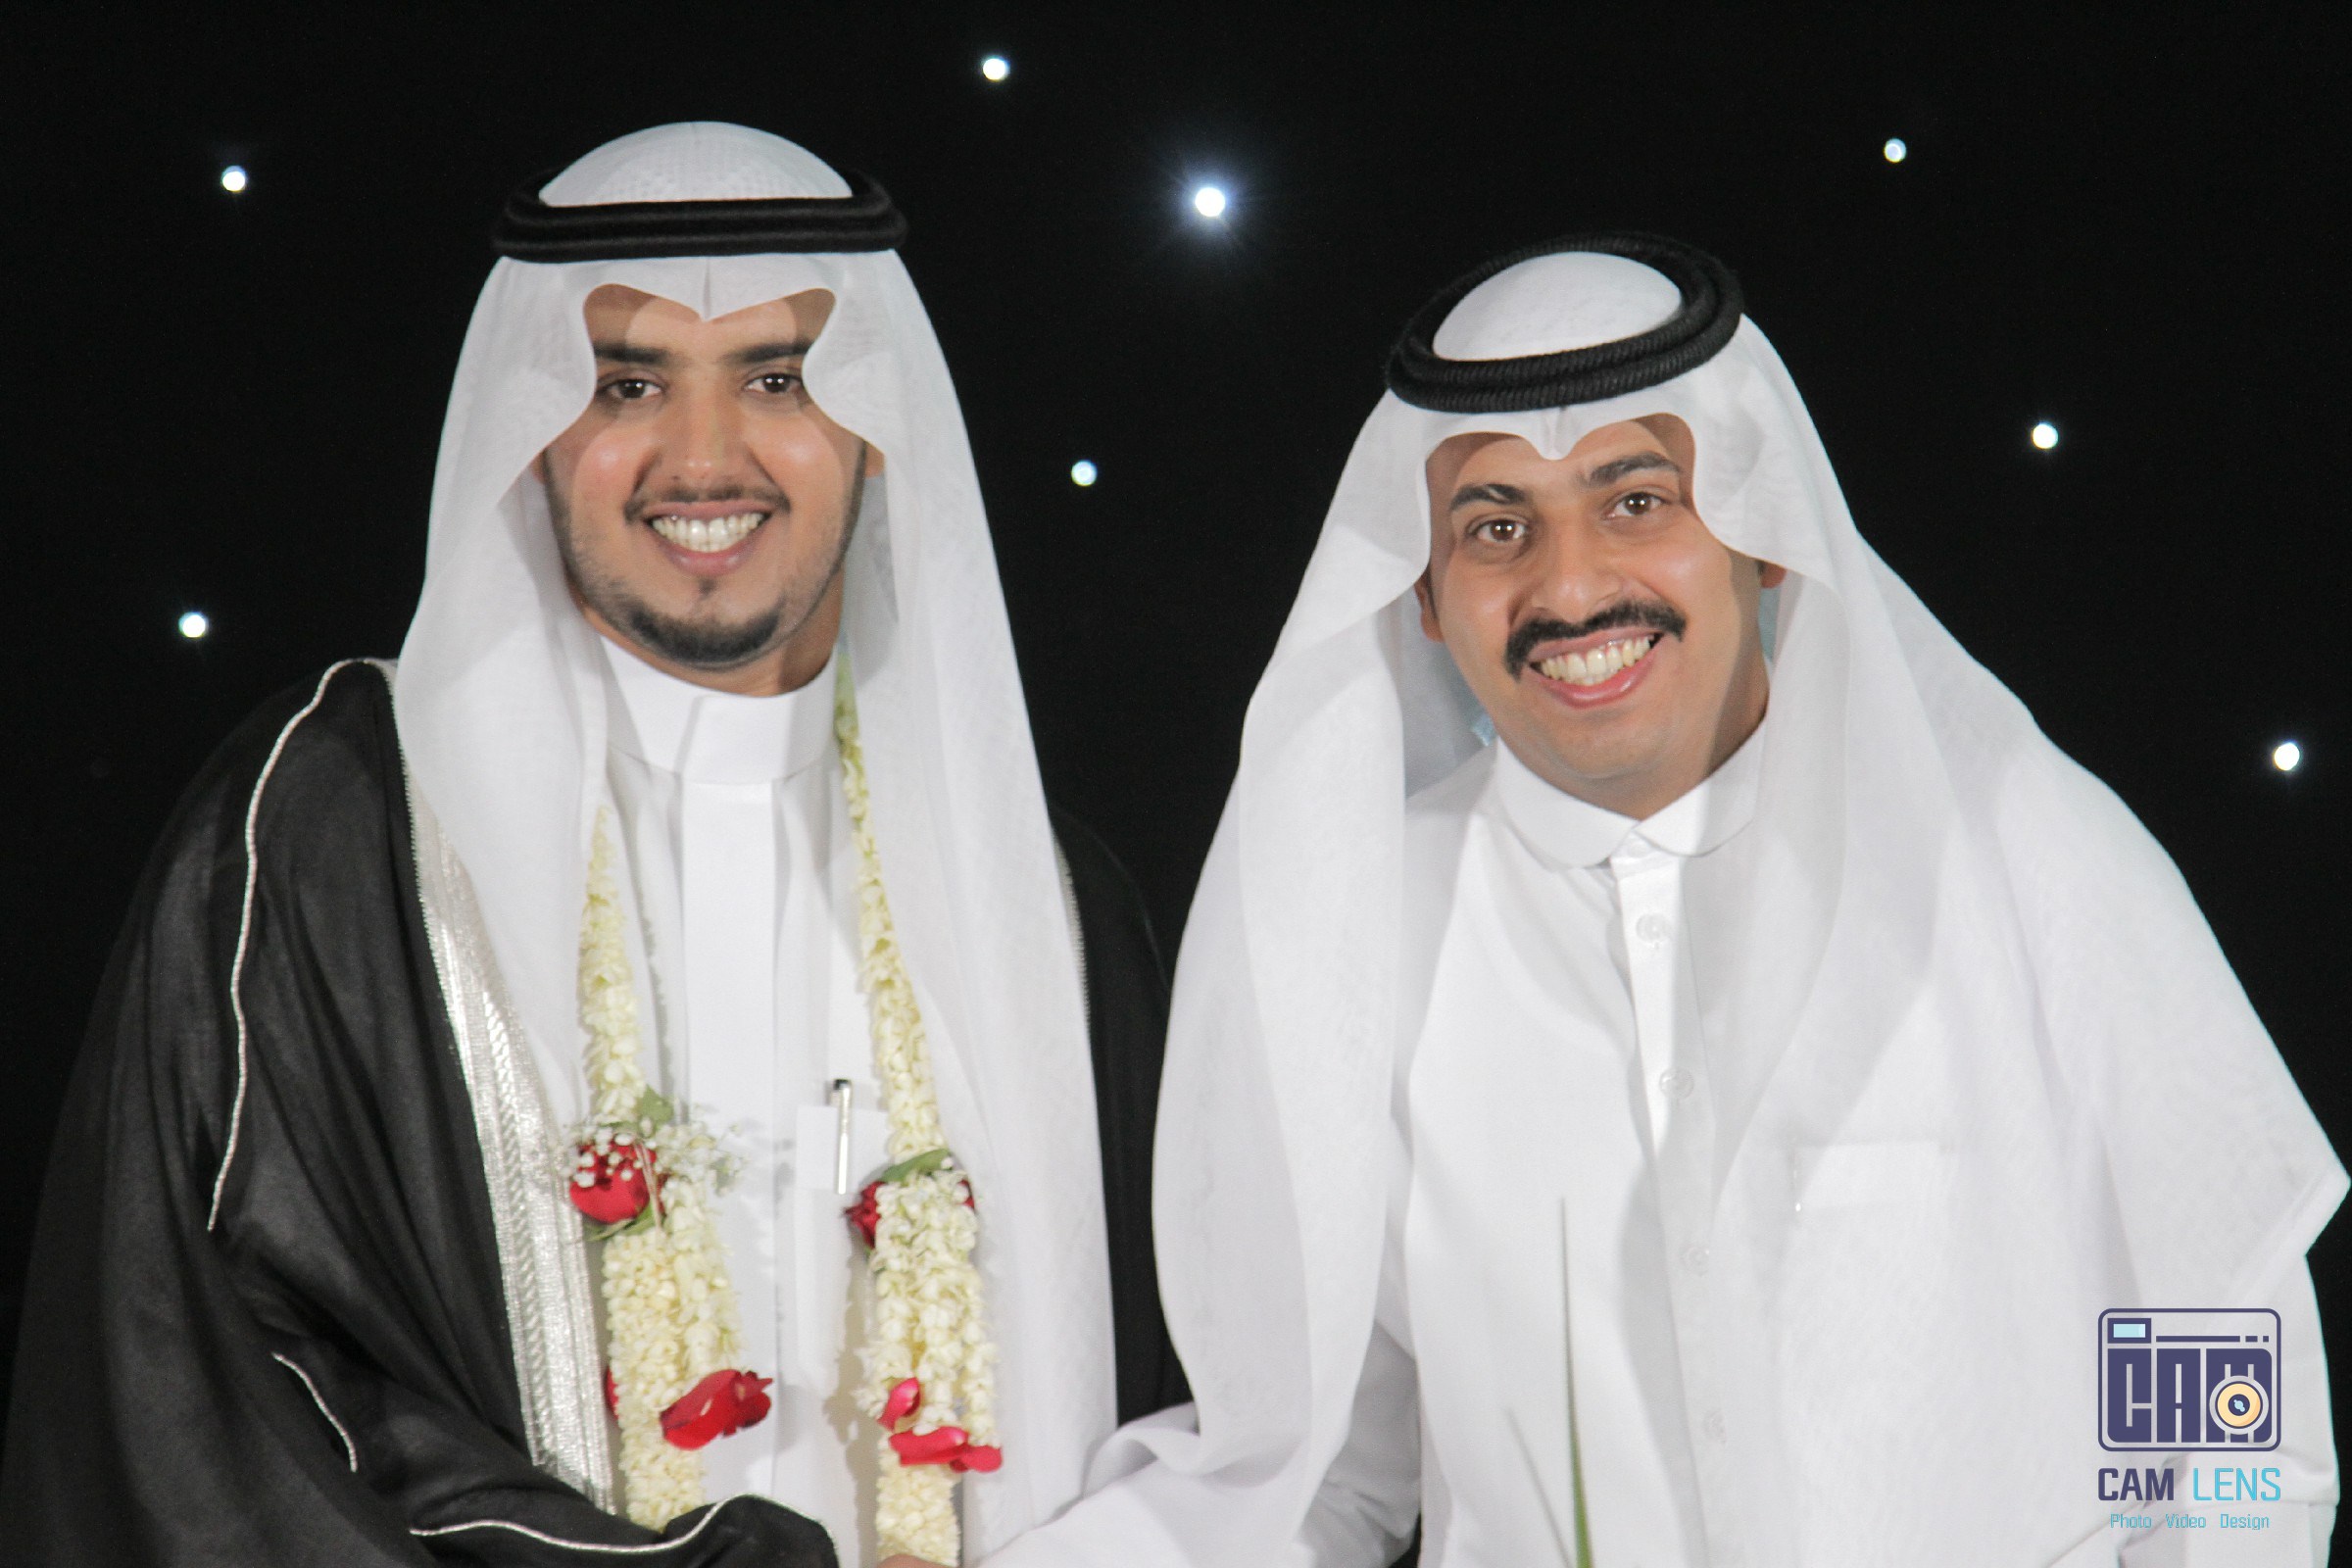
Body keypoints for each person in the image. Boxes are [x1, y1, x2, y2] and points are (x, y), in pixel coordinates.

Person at [995, 236, 2342, 1567]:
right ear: (1424, 596)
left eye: (1636, 501)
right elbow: (1311, 1479)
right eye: (1497, 528)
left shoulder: (2017, 859)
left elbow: (2229, 1410)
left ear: (1766, 536)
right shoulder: (1360, 934)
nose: (1572, 588)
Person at [1, 122, 1183, 1568]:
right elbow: (190, 1383)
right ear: (534, 424)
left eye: (778, 378)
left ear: (876, 425)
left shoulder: (1048, 905)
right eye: (628, 382)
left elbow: (1187, 1407)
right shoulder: (334, 833)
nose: (704, 458)